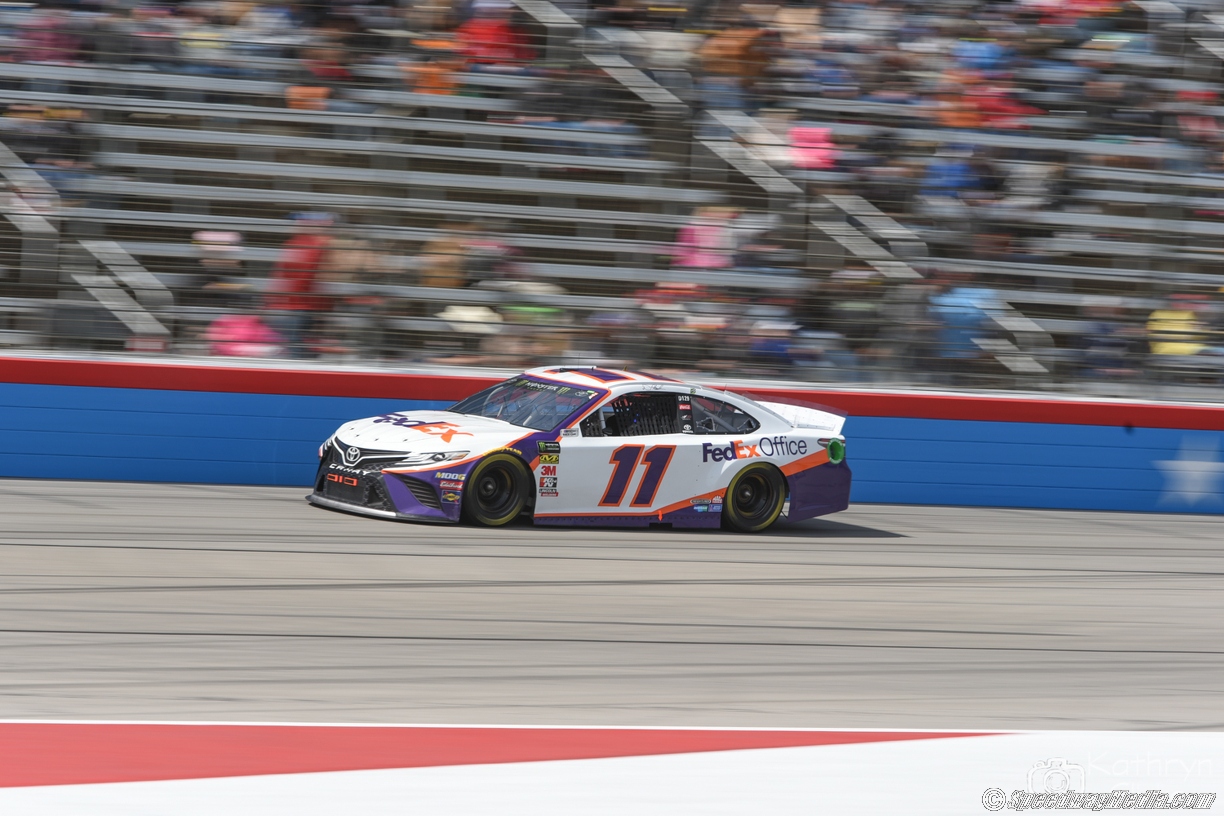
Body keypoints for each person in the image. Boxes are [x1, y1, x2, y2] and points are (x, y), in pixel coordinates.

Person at [265, 213, 335, 358]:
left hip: (285, 307)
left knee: (294, 350)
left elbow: (282, 276)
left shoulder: (295, 244)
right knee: (296, 354)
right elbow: (306, 279)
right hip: (296, 308)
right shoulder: (315, 246)